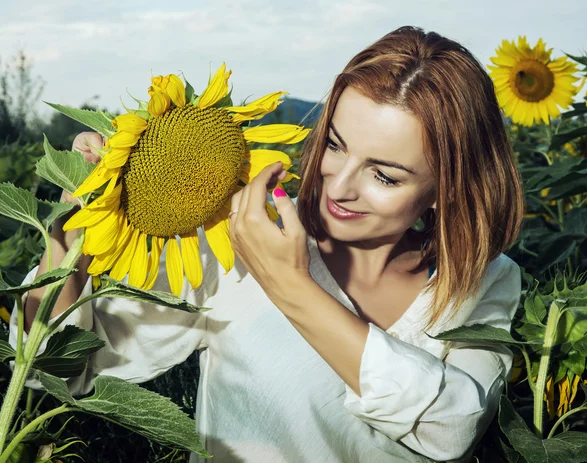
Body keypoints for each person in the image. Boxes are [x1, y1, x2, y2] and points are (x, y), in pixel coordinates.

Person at [9, 26, 523, 462]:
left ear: (446, 187)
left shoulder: (484, 281)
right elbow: (61, 367)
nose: (339, 186)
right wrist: (70, 228)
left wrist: (288, 284)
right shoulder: (235, 243)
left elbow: (452, 428)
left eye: (384, 176)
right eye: (337, 146)